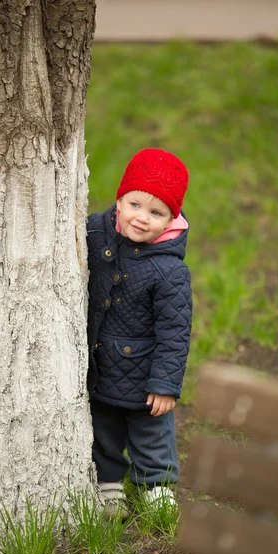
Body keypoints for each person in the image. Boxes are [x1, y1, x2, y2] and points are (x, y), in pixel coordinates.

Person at [87, 148, 192, 517]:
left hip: (145, 375)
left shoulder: (169, 271)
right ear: (119, 199)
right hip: (101, 365)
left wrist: (165, 384)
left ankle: (157, 488)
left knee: (152, 434)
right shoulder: (98, 233)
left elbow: (175, 331)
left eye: (156, 212)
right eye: (134, 204)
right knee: (104, 429)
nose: (142, 218)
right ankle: (109, 485)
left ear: (171, 219)